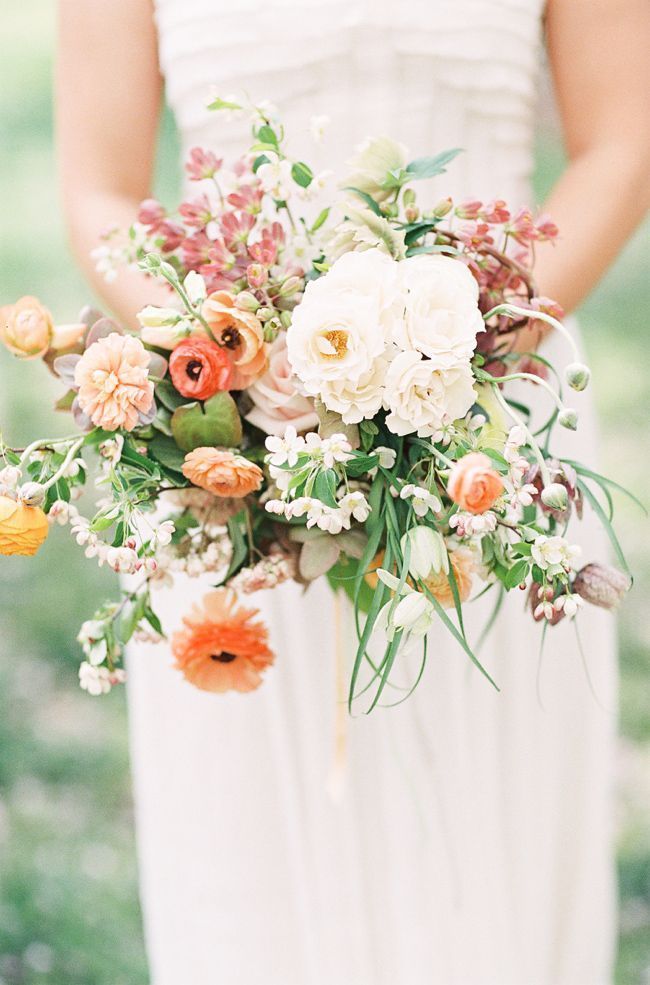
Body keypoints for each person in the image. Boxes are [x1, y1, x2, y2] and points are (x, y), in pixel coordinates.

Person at [56, 2, 650, 983]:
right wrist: (236, 354)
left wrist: (459, 348)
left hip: (495, 428)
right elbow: (97, 190)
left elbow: (623, 139)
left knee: (482, 830)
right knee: (251, 853)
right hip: (240, 441)